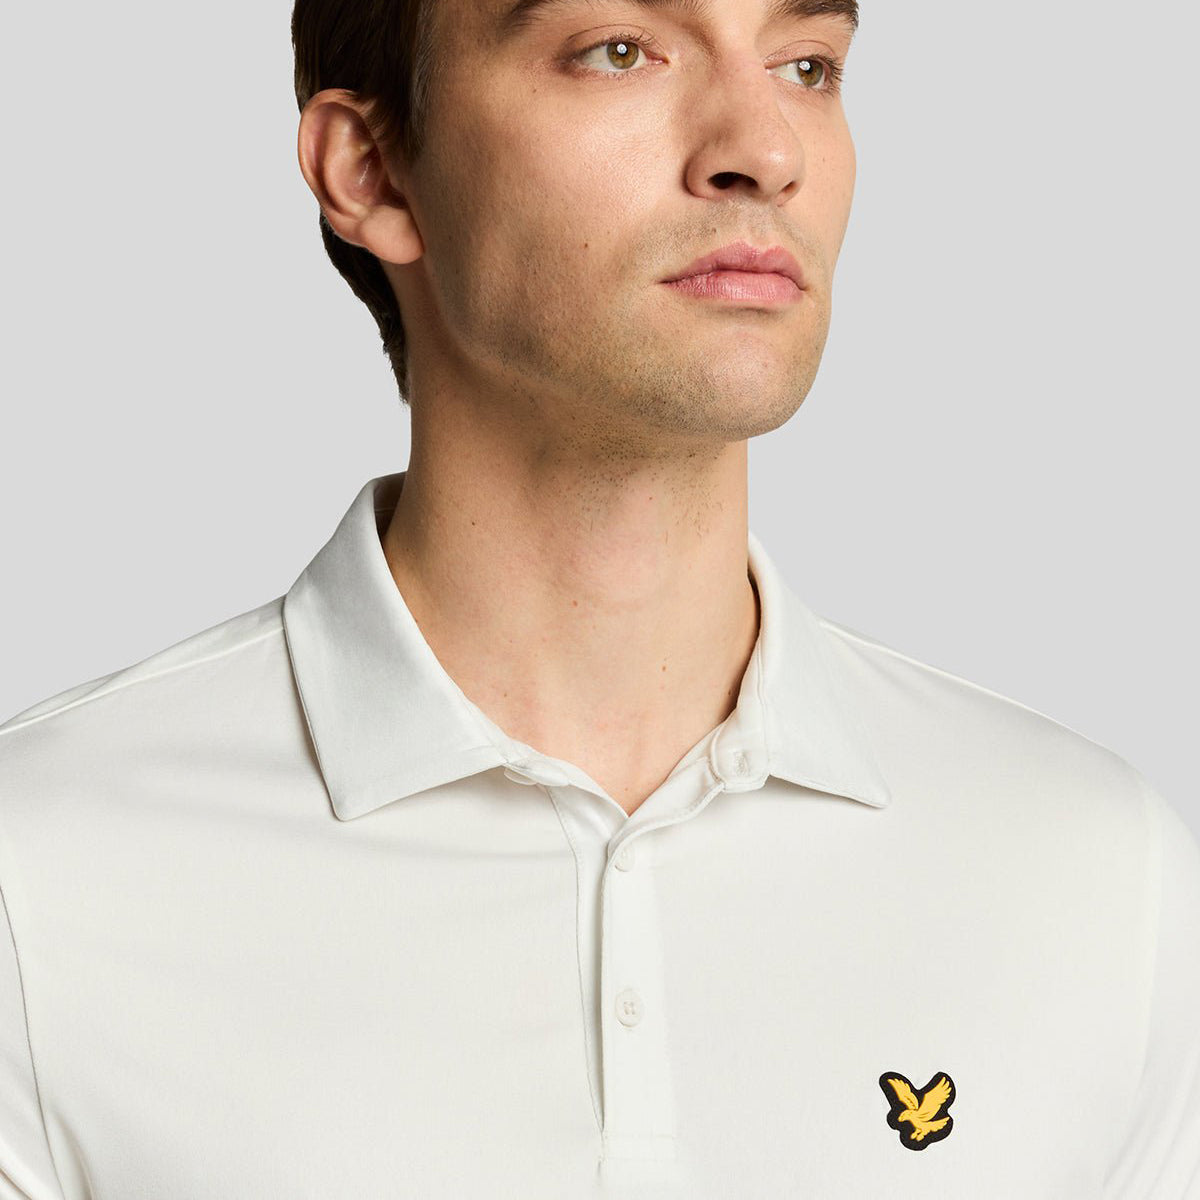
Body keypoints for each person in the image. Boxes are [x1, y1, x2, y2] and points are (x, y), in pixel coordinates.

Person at [1, 0, 1197, 1194]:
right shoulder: (41, 882)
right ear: (372, 170)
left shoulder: (1098, 881)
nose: (765, 150)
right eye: (618, 51)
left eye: (806, 65)